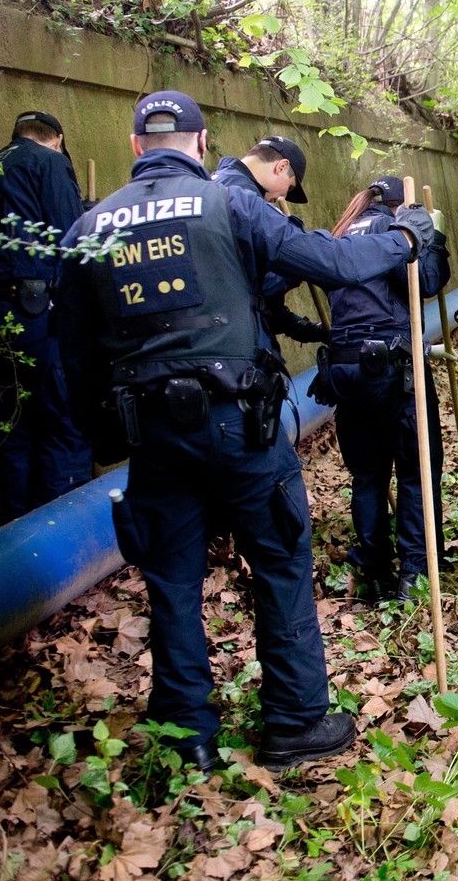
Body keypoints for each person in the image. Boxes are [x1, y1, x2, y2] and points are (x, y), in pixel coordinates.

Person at [55, 91, 437, 772]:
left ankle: (187, 738)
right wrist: (407, 237)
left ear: (136, 146)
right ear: (204, 145)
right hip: (241, 425)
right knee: (281, 560)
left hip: (154, 437)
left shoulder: (89, 227)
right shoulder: (231, 204)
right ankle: (293, 721)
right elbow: (332, 262)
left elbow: (76, 360)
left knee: (171, 579)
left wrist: (113, 436)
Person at [0, 111, 93, 523]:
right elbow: (71, 243)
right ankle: (65, 545)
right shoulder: (48, 163)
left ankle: (18, 556)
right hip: (37, 321)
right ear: (57, 139)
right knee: (63, 429)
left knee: (8, 440)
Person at [314, 176, 449, 603]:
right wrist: (435, 238)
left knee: (368, 475)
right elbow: (427, 281)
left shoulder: (339, 234)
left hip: (345, 368)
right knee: (416, 469)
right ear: (400, 207)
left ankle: (373, 569)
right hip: (392, 365)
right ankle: (414, 570)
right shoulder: (392, 236)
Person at [211, 135, 328, 347]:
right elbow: (252, 287)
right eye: (290, 187)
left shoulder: (215, 185)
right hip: (236, 342)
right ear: (281, 167)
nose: (283, 195)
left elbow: (262, 300)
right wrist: (293, 267)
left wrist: (304, 328)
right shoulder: (242, 201)